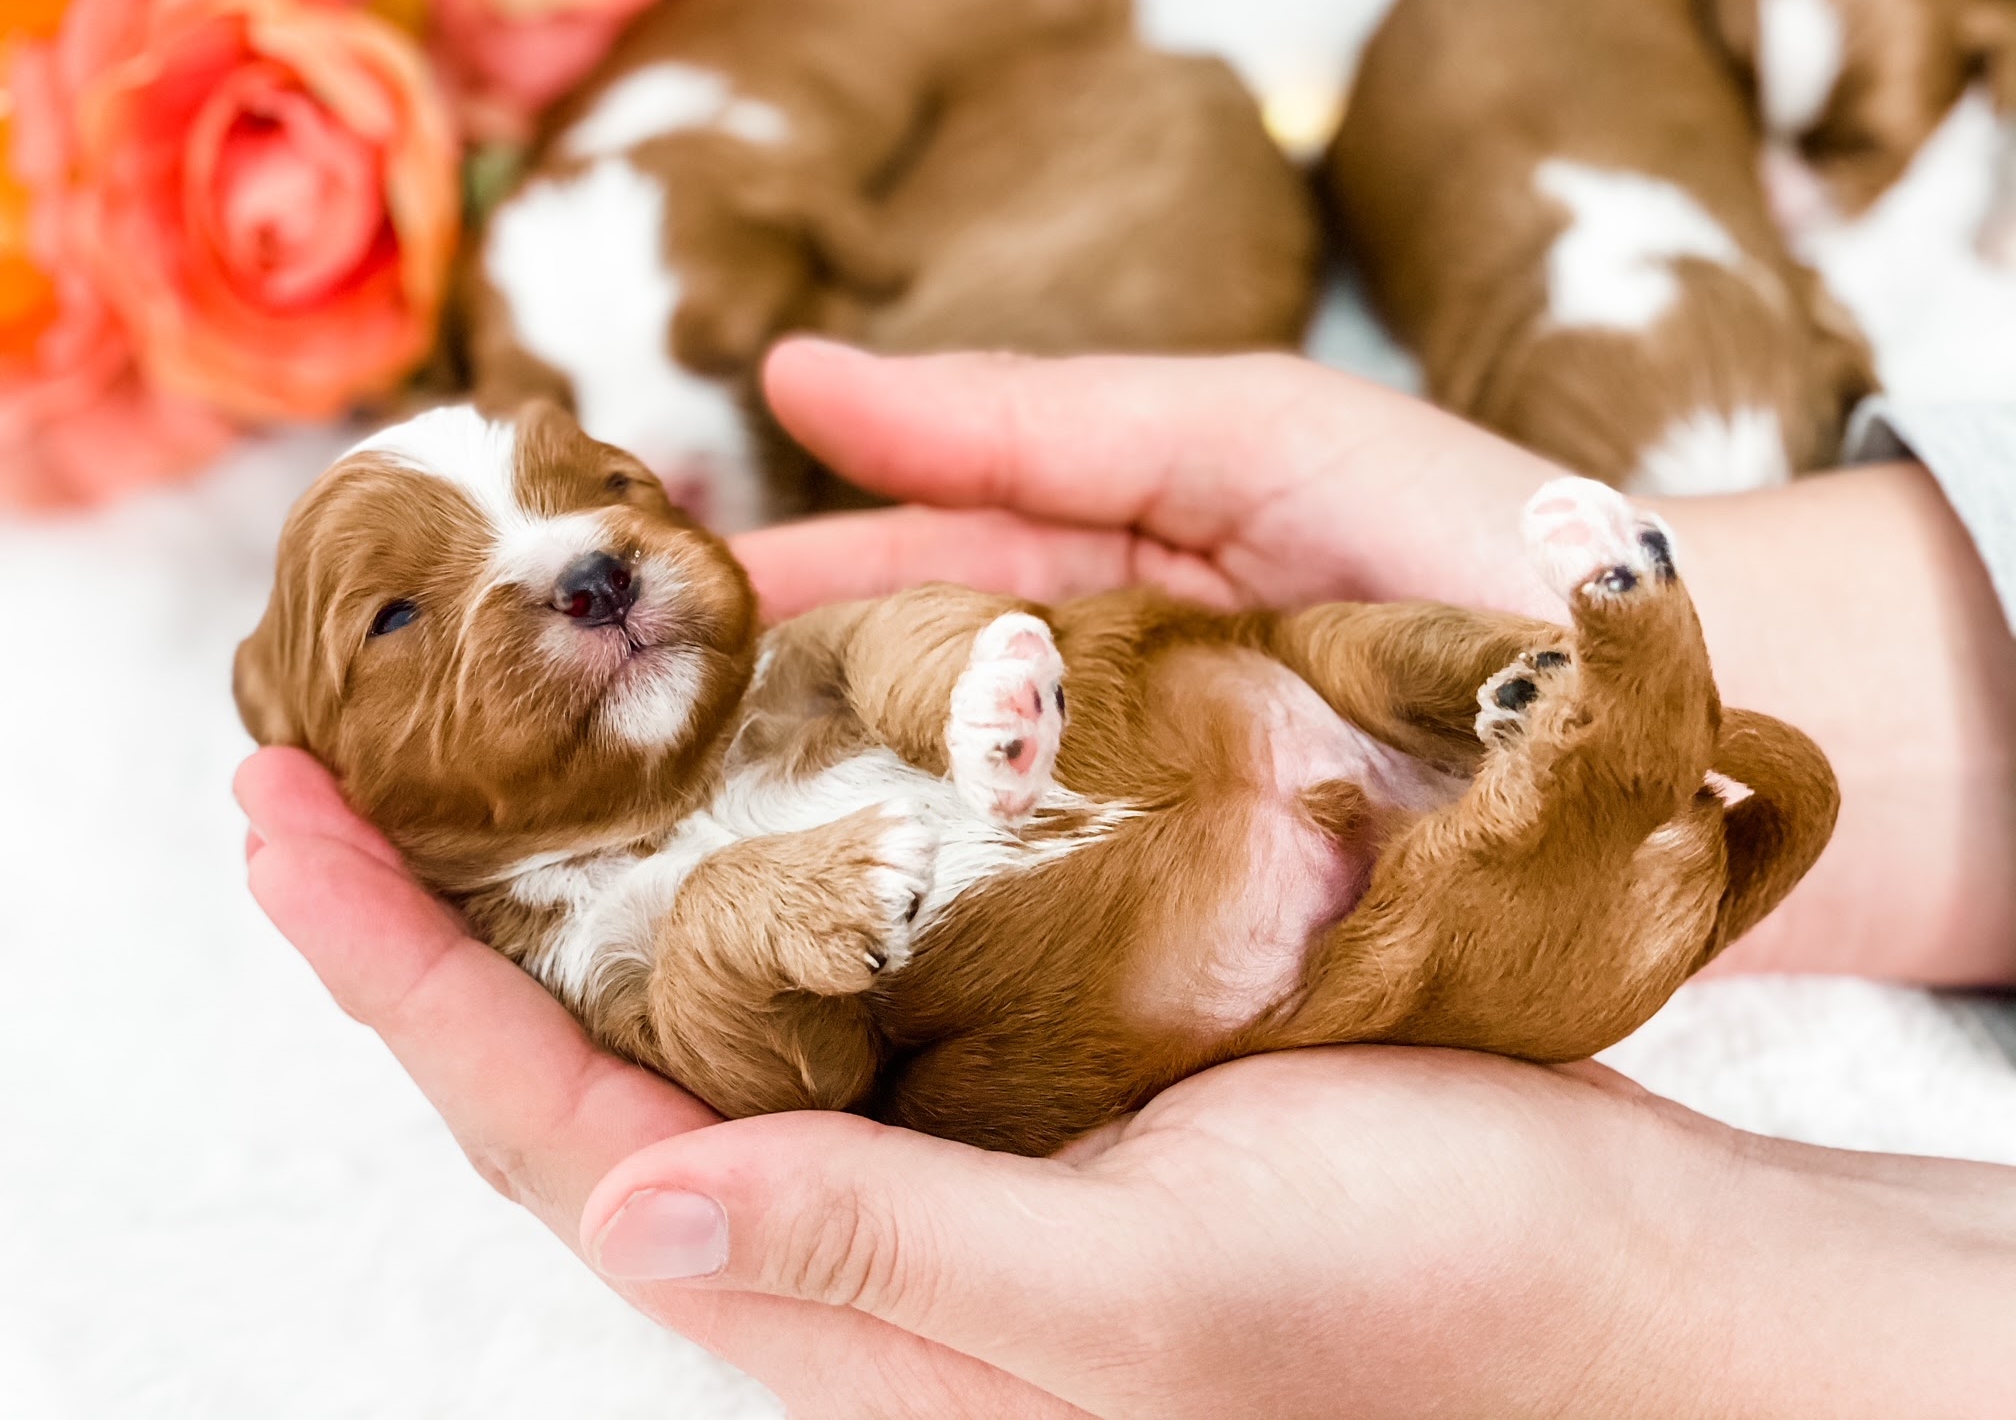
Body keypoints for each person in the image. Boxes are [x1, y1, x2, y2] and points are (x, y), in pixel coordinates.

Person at [237, 341, 2016, 1418]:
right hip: (1282, 968)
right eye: (400, 612)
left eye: (601, 491)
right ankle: (1609, 707)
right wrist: (739, 921)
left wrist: (970, 677)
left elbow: (907, 642)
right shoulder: (574, 936)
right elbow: (772, 1068)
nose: (585, 561)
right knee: (1443, 928)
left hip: (1254, 686)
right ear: (317, 730)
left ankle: (1612, 674)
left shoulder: (792, 659)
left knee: (1348, 648)